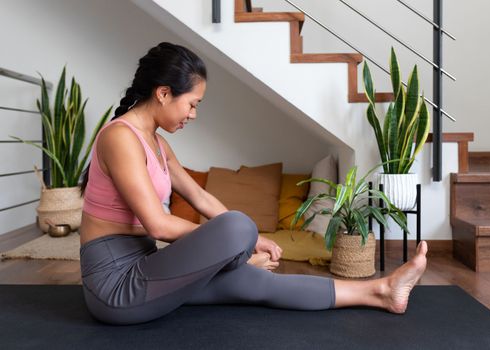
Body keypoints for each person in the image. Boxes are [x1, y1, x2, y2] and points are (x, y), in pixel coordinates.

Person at [79, 42, 428, 325]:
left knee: (253, 279)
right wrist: (238, 250)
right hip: (117, 287)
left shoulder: (156, 142)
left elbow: (199, 196)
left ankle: (381, 290)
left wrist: (254, 240)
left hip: (146, 270)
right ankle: (238, 258)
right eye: (192, 104)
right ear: (164, 93)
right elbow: (157, 224)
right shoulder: (120, 138)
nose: (193, 115)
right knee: (236, 227)